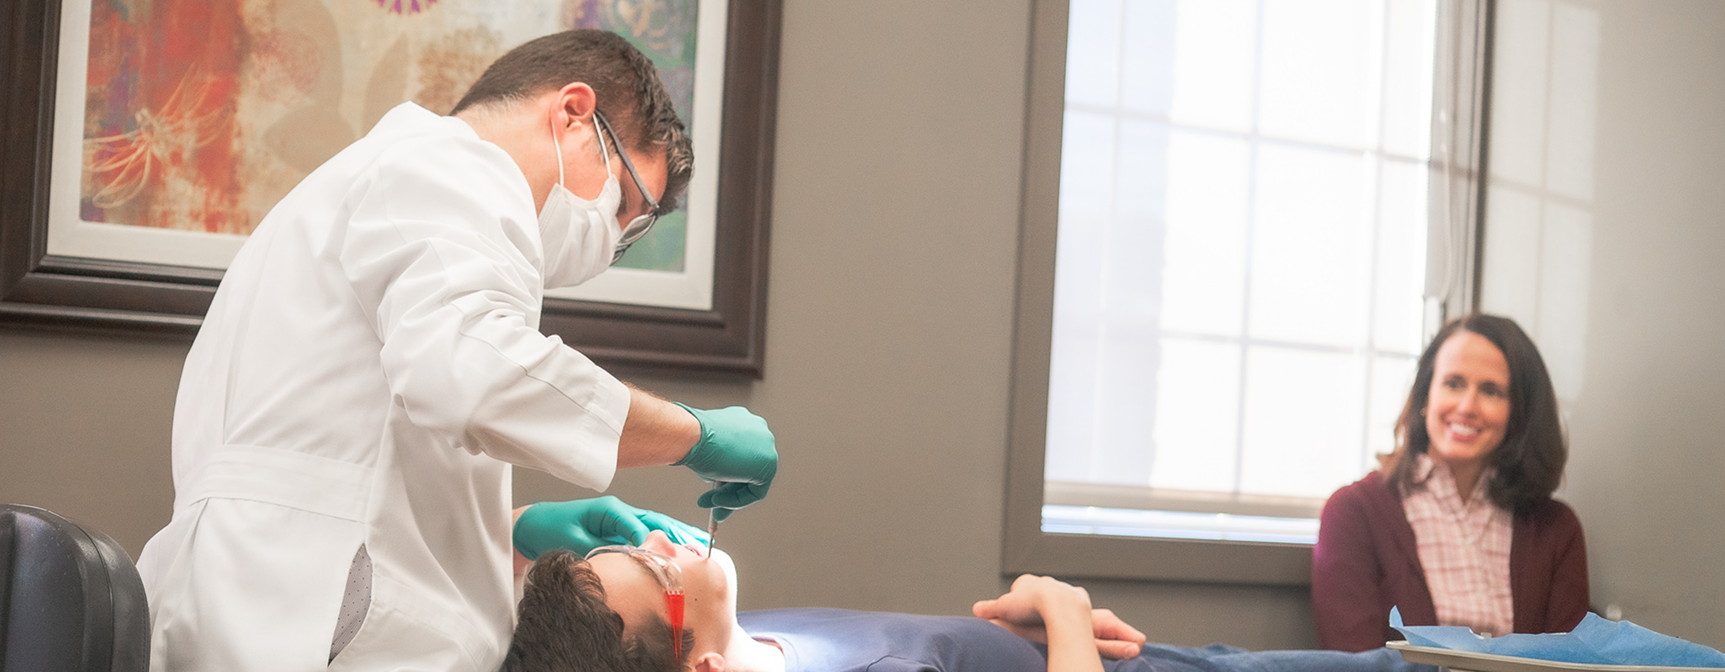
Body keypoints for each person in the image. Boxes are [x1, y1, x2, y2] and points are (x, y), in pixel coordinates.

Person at [134, 29, 777, 672]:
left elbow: (359, 456)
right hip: (308, 615)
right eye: (627, 206)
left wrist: (515, 531)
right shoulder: (451, 171)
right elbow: (471, 377)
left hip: (262, 593)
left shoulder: (374, 187)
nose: (611, 242)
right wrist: (694, 435)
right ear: (574, 113)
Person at [502, 531, 1437, 672]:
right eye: (660, 574)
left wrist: (1019, 636)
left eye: (633, 543)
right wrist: (1063, 612)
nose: (667, 543)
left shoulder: (765, 637)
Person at [1312, 314, 1588, 652]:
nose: (1467, 406)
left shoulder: (1556, 530)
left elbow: (1570, 664)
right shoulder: (1352, 515)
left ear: (1519, 413)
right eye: (1454, 383)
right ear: (1425, 395)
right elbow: (1354, 663)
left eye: (1491, 391)